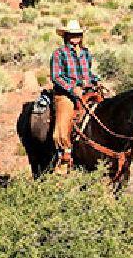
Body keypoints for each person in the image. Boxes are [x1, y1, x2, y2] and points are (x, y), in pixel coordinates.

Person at [50, 19, 100, 175]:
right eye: (72, 34)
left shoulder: (86, 52)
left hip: (86, 91)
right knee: (62, 125)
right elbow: (56, 77)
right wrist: (73, 89)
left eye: (78, 34)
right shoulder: (59, 54)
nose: (75, 37)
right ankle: (64, 158)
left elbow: (88, 73)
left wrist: (96, 81)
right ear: (66, 35)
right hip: (65, 94)